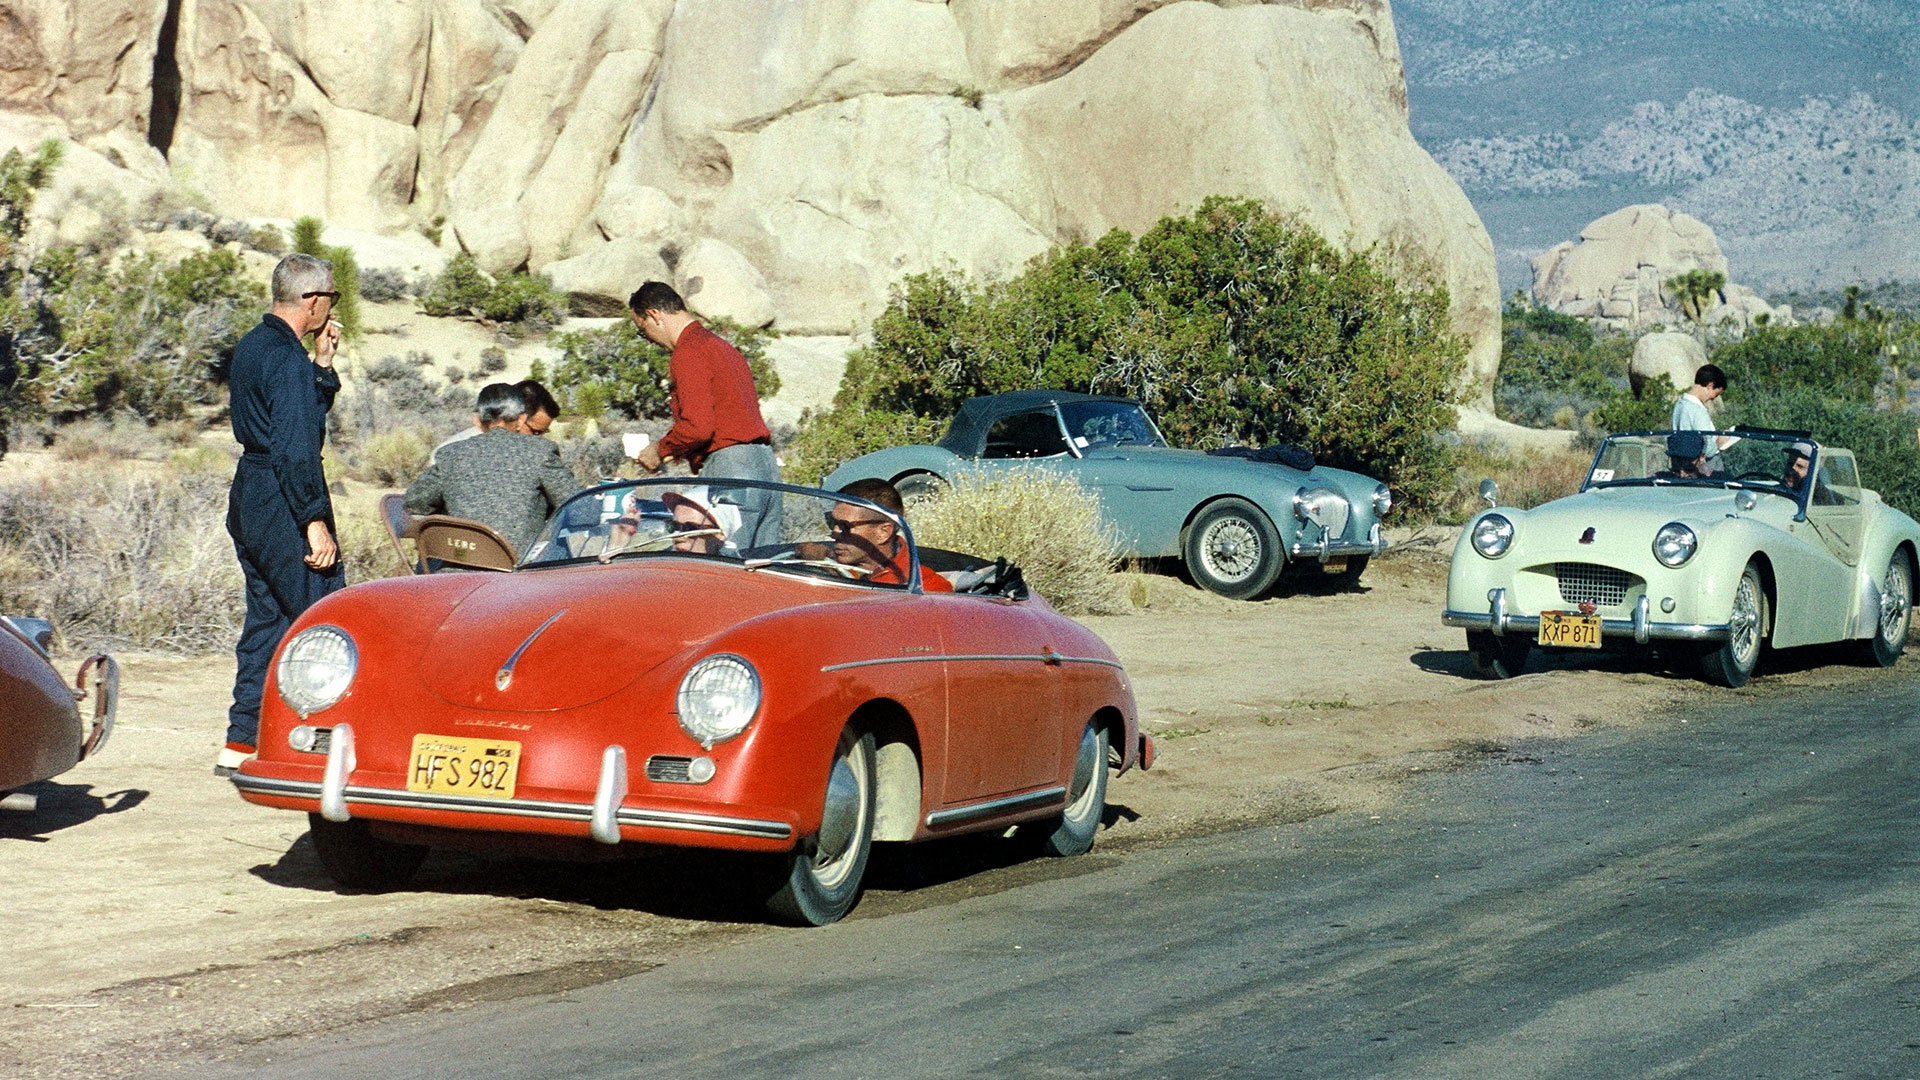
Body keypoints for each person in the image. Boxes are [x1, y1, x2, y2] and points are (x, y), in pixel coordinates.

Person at [222, 253, 346, 775]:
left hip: (249, 493)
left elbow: (291, 416)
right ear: (312, 300)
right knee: (327, 617)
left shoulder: (254, 346)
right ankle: (324, 743)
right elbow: (297, 446)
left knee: (267, 619)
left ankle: (241, 740)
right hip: (281, 497)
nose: (331, 307)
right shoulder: (286, 359)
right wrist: (313, 519)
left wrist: (323, 367)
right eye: (331, 298)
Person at [625, 282, 780, 548]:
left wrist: (659, 450)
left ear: (654, 315)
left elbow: (698, 427)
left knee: (726, 565)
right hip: (766, 468)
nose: (648, 339)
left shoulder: (688, 351)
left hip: (732, 469)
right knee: (763, 564)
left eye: (643, 331)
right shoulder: (721, 346)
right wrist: (682, 450)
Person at [404, 382, 578, 556]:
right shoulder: (541, 451)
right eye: (536, 432)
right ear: (521, 419)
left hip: (461, 564)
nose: (538, 437)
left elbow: (414, 502)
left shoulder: (449, 453)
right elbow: (578, 506)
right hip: (524, 571)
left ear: (478, 422)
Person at [831, 478, 953, 591]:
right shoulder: (827, 564)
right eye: (831, 522)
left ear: (883, 533)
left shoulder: (927, 588)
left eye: (845, 526)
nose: (834, 533)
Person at [433, 378, 561, 460]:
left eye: (544, 432)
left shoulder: (536, 457)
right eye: (536, 432)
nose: (540, 439)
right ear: (519, 419)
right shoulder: (447, 455)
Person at [1671, 364, 1735, 475]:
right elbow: (1708, 450)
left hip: (1684, 466)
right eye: (1716, 393)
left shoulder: (1679, 405)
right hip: (1704, 471)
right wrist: (1720, 442)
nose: (1713, 398)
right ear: (1710, 385)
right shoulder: (1698, 411)